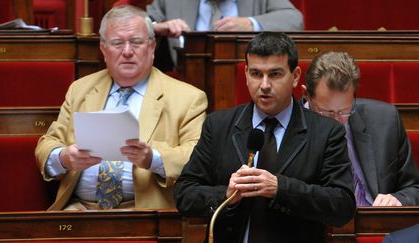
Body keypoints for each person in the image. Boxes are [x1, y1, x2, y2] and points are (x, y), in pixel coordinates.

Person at [173, 32, 355, 242]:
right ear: (246, 73)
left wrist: (280, 188)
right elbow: (184, 193)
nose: (265, 85)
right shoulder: (219, 125)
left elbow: (342, 206)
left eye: (275, 74)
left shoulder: (326, 132)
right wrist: (227, 195)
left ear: (295, 76)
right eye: (257, 74)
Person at [35, 5, 208, 210]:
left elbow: (196, 157)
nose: (127, 52)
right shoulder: (80, 89)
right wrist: (64, 157)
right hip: (78, 210)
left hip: (145, 213)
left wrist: (153, 158)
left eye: (136, 42)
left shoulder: (188, 98)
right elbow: (48, 143)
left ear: (152, 46)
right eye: (117, 43)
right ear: (103, 48)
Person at [302, 51, 419, 206]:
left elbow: (413, 188)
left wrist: (399, 199)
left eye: (344, 111)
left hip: (379, 223)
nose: (337, 121)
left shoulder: (385, 120)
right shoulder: (289, 128)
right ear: (306, 95)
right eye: (328, 112)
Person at [146, 0, 304, 65]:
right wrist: (157, 27)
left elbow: (294, 20)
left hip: (247, 85)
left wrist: (251, 24)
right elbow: (139, 22)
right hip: (188, 84)